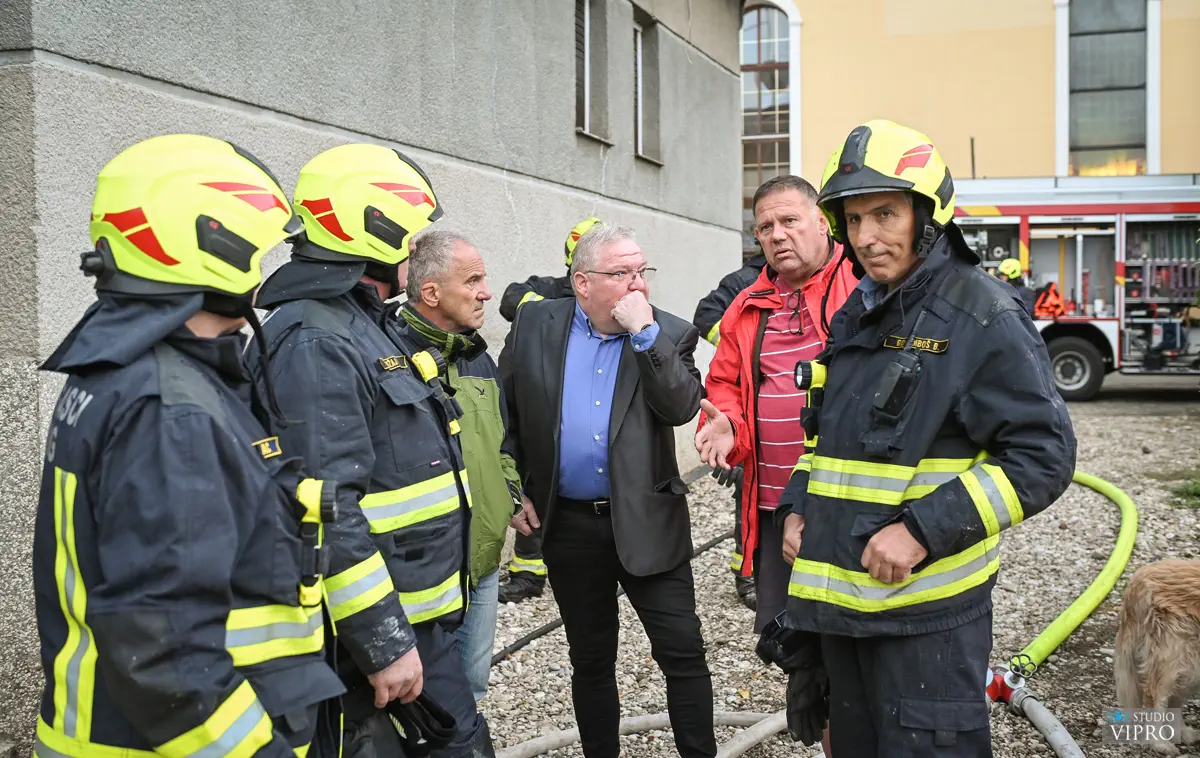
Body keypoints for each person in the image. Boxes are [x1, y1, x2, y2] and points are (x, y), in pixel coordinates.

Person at [767, 120, 1076, 757]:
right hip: (843, 611)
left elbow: (1042, 456)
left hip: (925, 622)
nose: (867, 237)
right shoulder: (863, 308)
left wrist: (922, 531)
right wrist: (799, 504)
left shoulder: (980, 315)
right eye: (853, 220)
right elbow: (827, 439)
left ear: (929, 215)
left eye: (884, 213)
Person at [32, 134, 345, 757]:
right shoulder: (172, 408)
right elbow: (166, 648)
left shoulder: (119, 371)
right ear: (214, 244)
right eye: (256, 245)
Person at [247, 143, 495, 757]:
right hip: (381, 630)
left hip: (416, 614)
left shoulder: (360, 322)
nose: (416, 248)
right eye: (410, 233)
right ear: (372, 226)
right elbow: (325, 508)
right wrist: (383, 642)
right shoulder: (316, 340)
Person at [499, 223, 715, 758]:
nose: (637, 284)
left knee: (682, 653)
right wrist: (511, 488)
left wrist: (645, 336)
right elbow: (502, 412)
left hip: (648, 521)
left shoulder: (669, 332)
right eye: (622, 274)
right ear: (582, 283)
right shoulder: (534, 324)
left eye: (642, 272)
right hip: (568, 524)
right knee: (590, 657)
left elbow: (682, 407)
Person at [695, 176, 857, 643]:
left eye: (789, 220)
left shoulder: (863, 287)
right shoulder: (747, 306)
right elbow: (724, 383)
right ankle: (807, 718)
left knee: (849, 643)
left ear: (823, 223)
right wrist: (729, 429)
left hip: (846, 503)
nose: (777, 235)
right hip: (771, 507)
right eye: (765, 227)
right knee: (786, 640)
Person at [397, 229, 523, 704]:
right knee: (421, 703)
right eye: (472, 280)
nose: (486, 292)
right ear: (431, 292)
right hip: (425, 576)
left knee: (470, 691)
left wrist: (510, 494)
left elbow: (501, 441)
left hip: (484, 562)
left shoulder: (477, 357)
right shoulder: (391, 357)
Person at [495, 216, 602, 604]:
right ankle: (528, 572)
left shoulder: (604, 300)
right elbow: (511, 298)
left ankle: (582, 563)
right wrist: (549, 314)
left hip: (569, 403)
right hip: (525, 394)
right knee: (528, 480)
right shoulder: (546, 290)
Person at [691, 246, 768, 611]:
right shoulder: (745, 280)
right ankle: (747, 571)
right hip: (748, 401)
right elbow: (705, 313)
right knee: (749, 488)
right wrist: (750, 344)